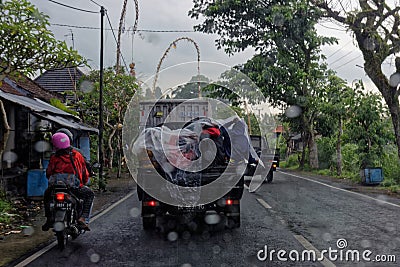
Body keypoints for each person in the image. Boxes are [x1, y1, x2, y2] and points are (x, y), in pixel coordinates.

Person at [42, 132, 94, 231]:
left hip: (56, 187)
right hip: (73, 187)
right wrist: (83, 181)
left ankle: (49, 219)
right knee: (89, 194)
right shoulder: (76, 155)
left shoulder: (54, 157)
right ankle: (83, 218)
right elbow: (83, 171)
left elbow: (49, 172)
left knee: (47, 196)